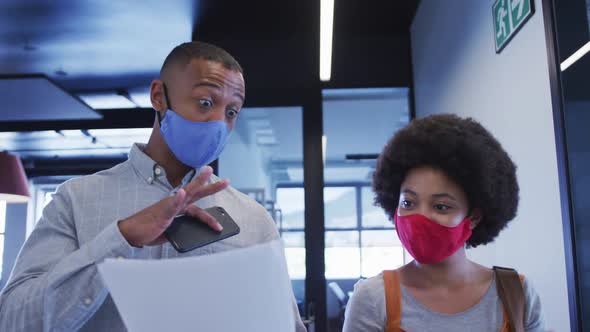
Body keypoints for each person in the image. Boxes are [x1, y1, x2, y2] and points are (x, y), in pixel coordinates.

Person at [0, 41, 306, 332]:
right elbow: (14, 320)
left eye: (231, 111)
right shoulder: (76, 200)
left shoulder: (252, 220)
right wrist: (122, 237)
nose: (218, 123)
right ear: (159, 96)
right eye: (205, 103)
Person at [342, 114, 545, 331]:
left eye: (440, 206)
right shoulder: (372, 299)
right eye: (408, 202)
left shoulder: (516, 294)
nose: (420, 217)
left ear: (474, 217)